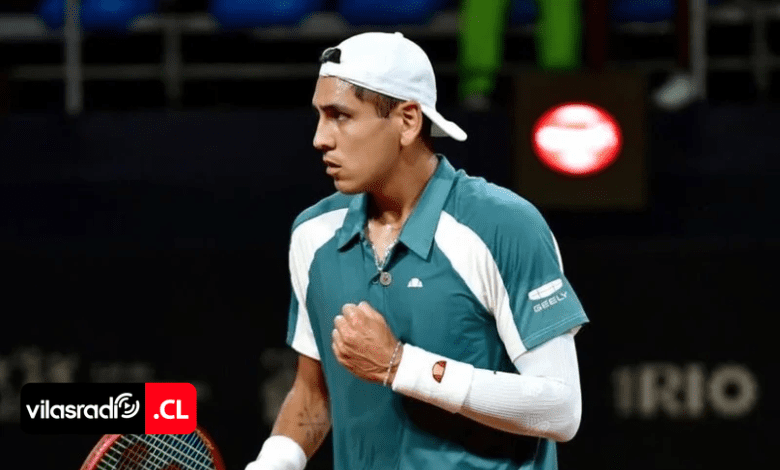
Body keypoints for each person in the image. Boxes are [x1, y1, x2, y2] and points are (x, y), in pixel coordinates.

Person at [245, 31, 589, 470]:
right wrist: (272, 464)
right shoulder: (313, 234)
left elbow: (560, 410)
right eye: (319, 116)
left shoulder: (504, 225)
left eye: (340, 116)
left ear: (407, 121)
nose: (320, 138)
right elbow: (315, 393)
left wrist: (401, 366)